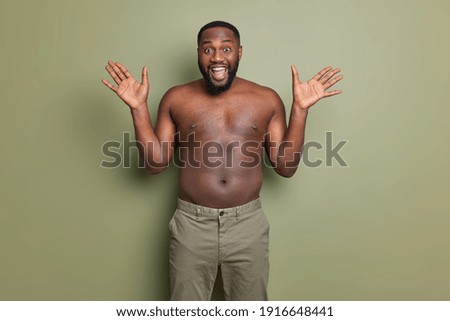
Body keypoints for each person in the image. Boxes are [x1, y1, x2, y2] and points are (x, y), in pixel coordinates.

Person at [101, 20, 343, 301]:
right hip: (192, 225)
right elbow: (155, 165)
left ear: (239, 52)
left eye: (226, 48)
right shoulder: (176, 98)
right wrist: (139, 110)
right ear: (199, 54)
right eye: (208, 49)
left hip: (248, 225)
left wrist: (300, 111)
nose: (217, 57)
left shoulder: (266, 99)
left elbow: (286, 167)